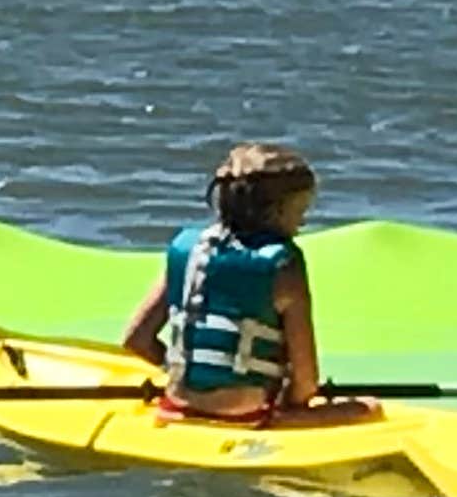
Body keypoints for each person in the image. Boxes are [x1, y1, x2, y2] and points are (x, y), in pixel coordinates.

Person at [119, 142, 360, 420]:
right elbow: (306, 383)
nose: (302, 222)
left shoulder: (188, 250)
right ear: (276, 210)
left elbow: (136, 340)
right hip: (248, 413)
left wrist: (183, 370)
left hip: (178, 404)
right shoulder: (284, 264)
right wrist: (289, 401)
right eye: (300, 210)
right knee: (368, 408)